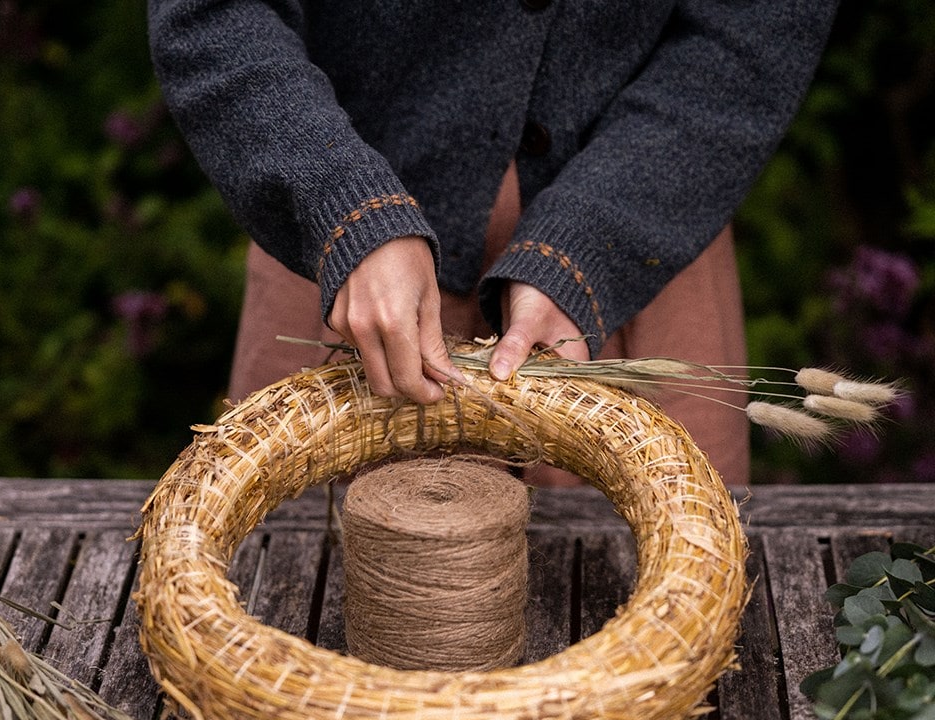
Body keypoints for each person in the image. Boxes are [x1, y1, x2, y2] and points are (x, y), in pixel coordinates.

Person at [147, 1, 840, 485]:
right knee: (306, 602)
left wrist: (593, 241)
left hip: (644, 230)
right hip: (342, 253)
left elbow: (755, 29)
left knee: (648, 613)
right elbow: (217, 10)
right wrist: (344, 207)